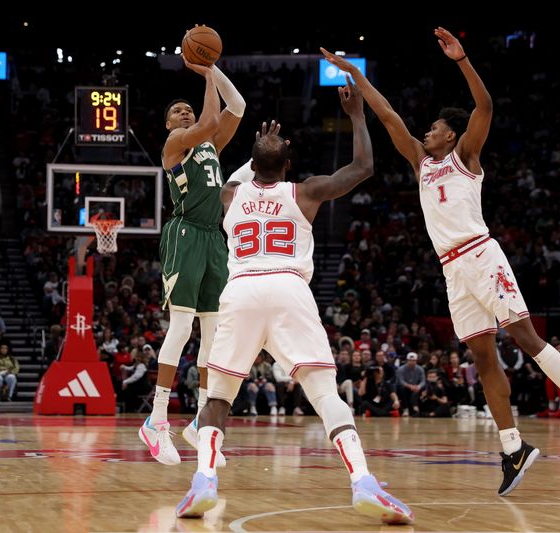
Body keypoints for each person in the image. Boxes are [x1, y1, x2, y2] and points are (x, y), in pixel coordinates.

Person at [322, 26, 560, 497]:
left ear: (450, 135)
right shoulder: (420, 161)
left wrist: (461, 60)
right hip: (452, 269)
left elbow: (486, 108)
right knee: (481, 355)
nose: (426, 131)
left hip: (480, 254)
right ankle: (513, 448)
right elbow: (388, 115)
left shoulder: (466, 157)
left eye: (434, 127)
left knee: (524, 334)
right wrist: (355, 72)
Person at [172, 82, 412, 525]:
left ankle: (204, 479)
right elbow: (363, 166)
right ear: (288, 164)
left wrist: (257, 153)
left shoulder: (229, 197)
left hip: (240, 291)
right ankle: (362, 480)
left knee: (219, 397)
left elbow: (232, 179)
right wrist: (357, 115)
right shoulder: (305, 192)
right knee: (323, 394)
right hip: (288, 289)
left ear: (253, 165)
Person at [140, 54, 245, 465]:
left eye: (187, 108)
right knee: (181, 326)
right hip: (183, 234)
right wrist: (203, 78)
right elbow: (209, 122)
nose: (184, 113)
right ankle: (156, 420)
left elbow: (236, 108)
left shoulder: (210, 147)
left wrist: (213, 71)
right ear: (169, 124)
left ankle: (201, 424)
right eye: (176, 111)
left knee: (214, 335)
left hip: (213, 239)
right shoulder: (175, 144)